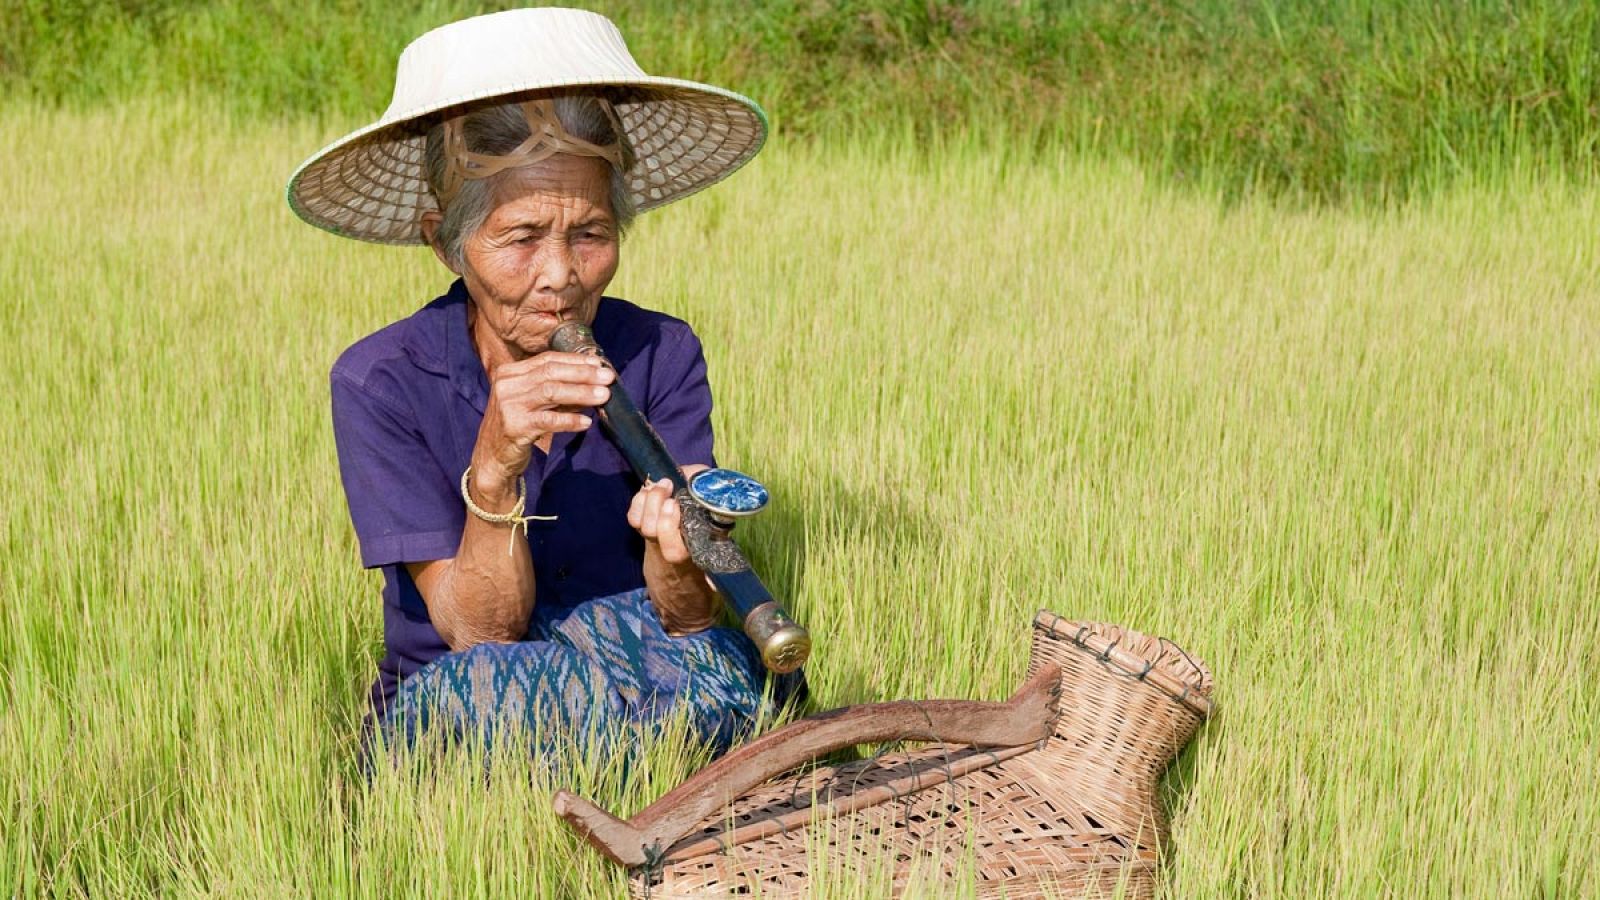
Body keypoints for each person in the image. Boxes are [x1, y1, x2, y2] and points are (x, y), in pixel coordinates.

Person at [285, 7, 798, 756]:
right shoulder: (381, 382)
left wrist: (676, 558)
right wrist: (494, 465)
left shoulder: (661, 350)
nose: (560, 276)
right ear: (445, 242)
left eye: (590, 235)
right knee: (506, 702)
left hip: (639, 659)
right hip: (473, 684)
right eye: (522, 238)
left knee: (739, 679)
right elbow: (478, 634)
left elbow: (688, 623)